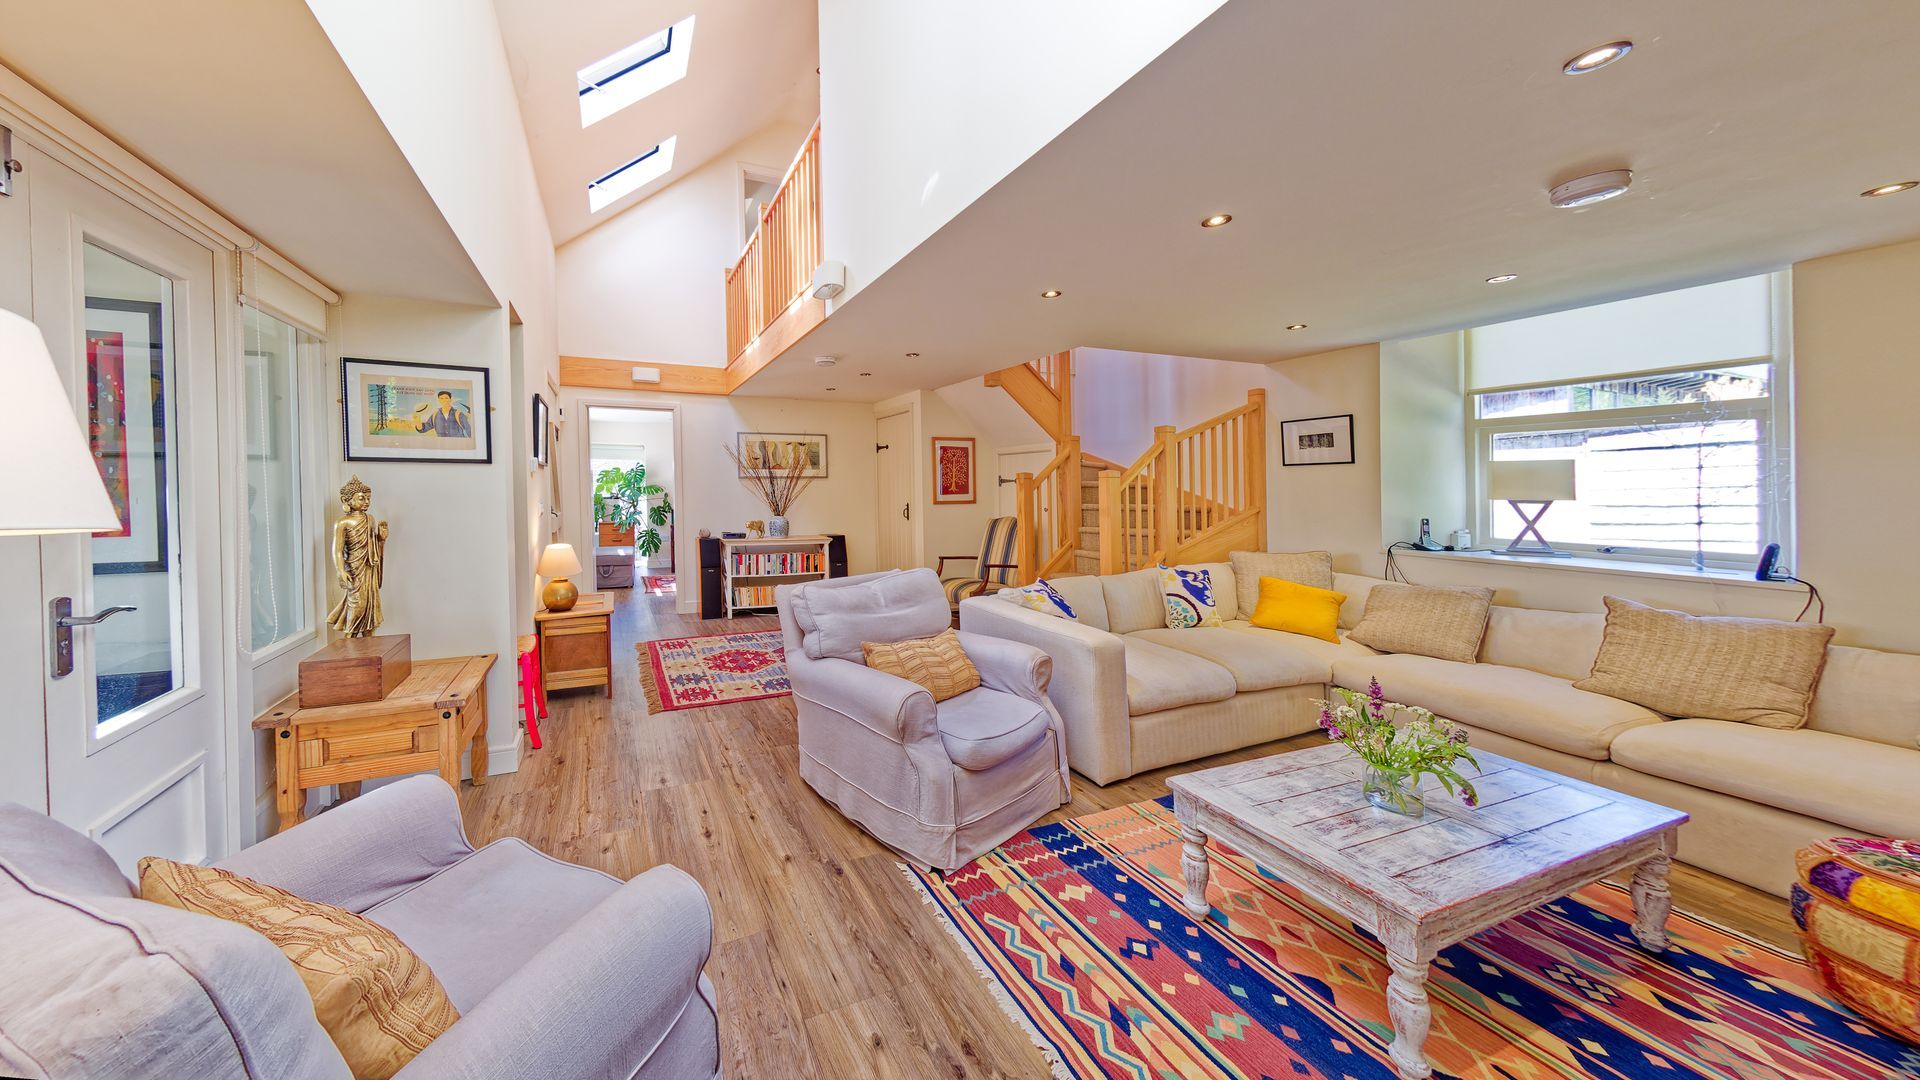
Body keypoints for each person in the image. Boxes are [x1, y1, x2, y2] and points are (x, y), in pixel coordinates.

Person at [326, 476, 388, 638]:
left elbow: (372, 545)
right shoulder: (342, 523)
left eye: (368, 498)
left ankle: (369, 641)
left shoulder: (370, 519)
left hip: (369, 568)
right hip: (354, 569)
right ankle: (349, 641)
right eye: (362, 498)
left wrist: (381, 539)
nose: (366, 502)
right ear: (347, 500)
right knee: (357, 605)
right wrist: (340, 571)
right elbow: (337, 550)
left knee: (370, 606)